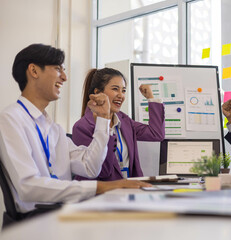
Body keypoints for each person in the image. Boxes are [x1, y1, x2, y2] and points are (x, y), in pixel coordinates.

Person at [0, 44, 151, 216]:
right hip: (35, 222)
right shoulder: (11, 119)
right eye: (58, 69)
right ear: (34, 71)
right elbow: (28, 186)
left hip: (61, 216)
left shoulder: (53, 129)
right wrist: (102, 187)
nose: (64, 77)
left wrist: (103, 121)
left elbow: (90, 167)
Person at [72, 68, 165, 181]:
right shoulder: (82, 127)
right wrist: (106, 127)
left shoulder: (124, 121)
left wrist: (151, 98)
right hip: (102, 194)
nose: (121, 95)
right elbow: (102, 171)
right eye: (115, 89)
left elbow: (156, 134)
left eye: (123, 90)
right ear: (97, 93)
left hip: (128, 191)